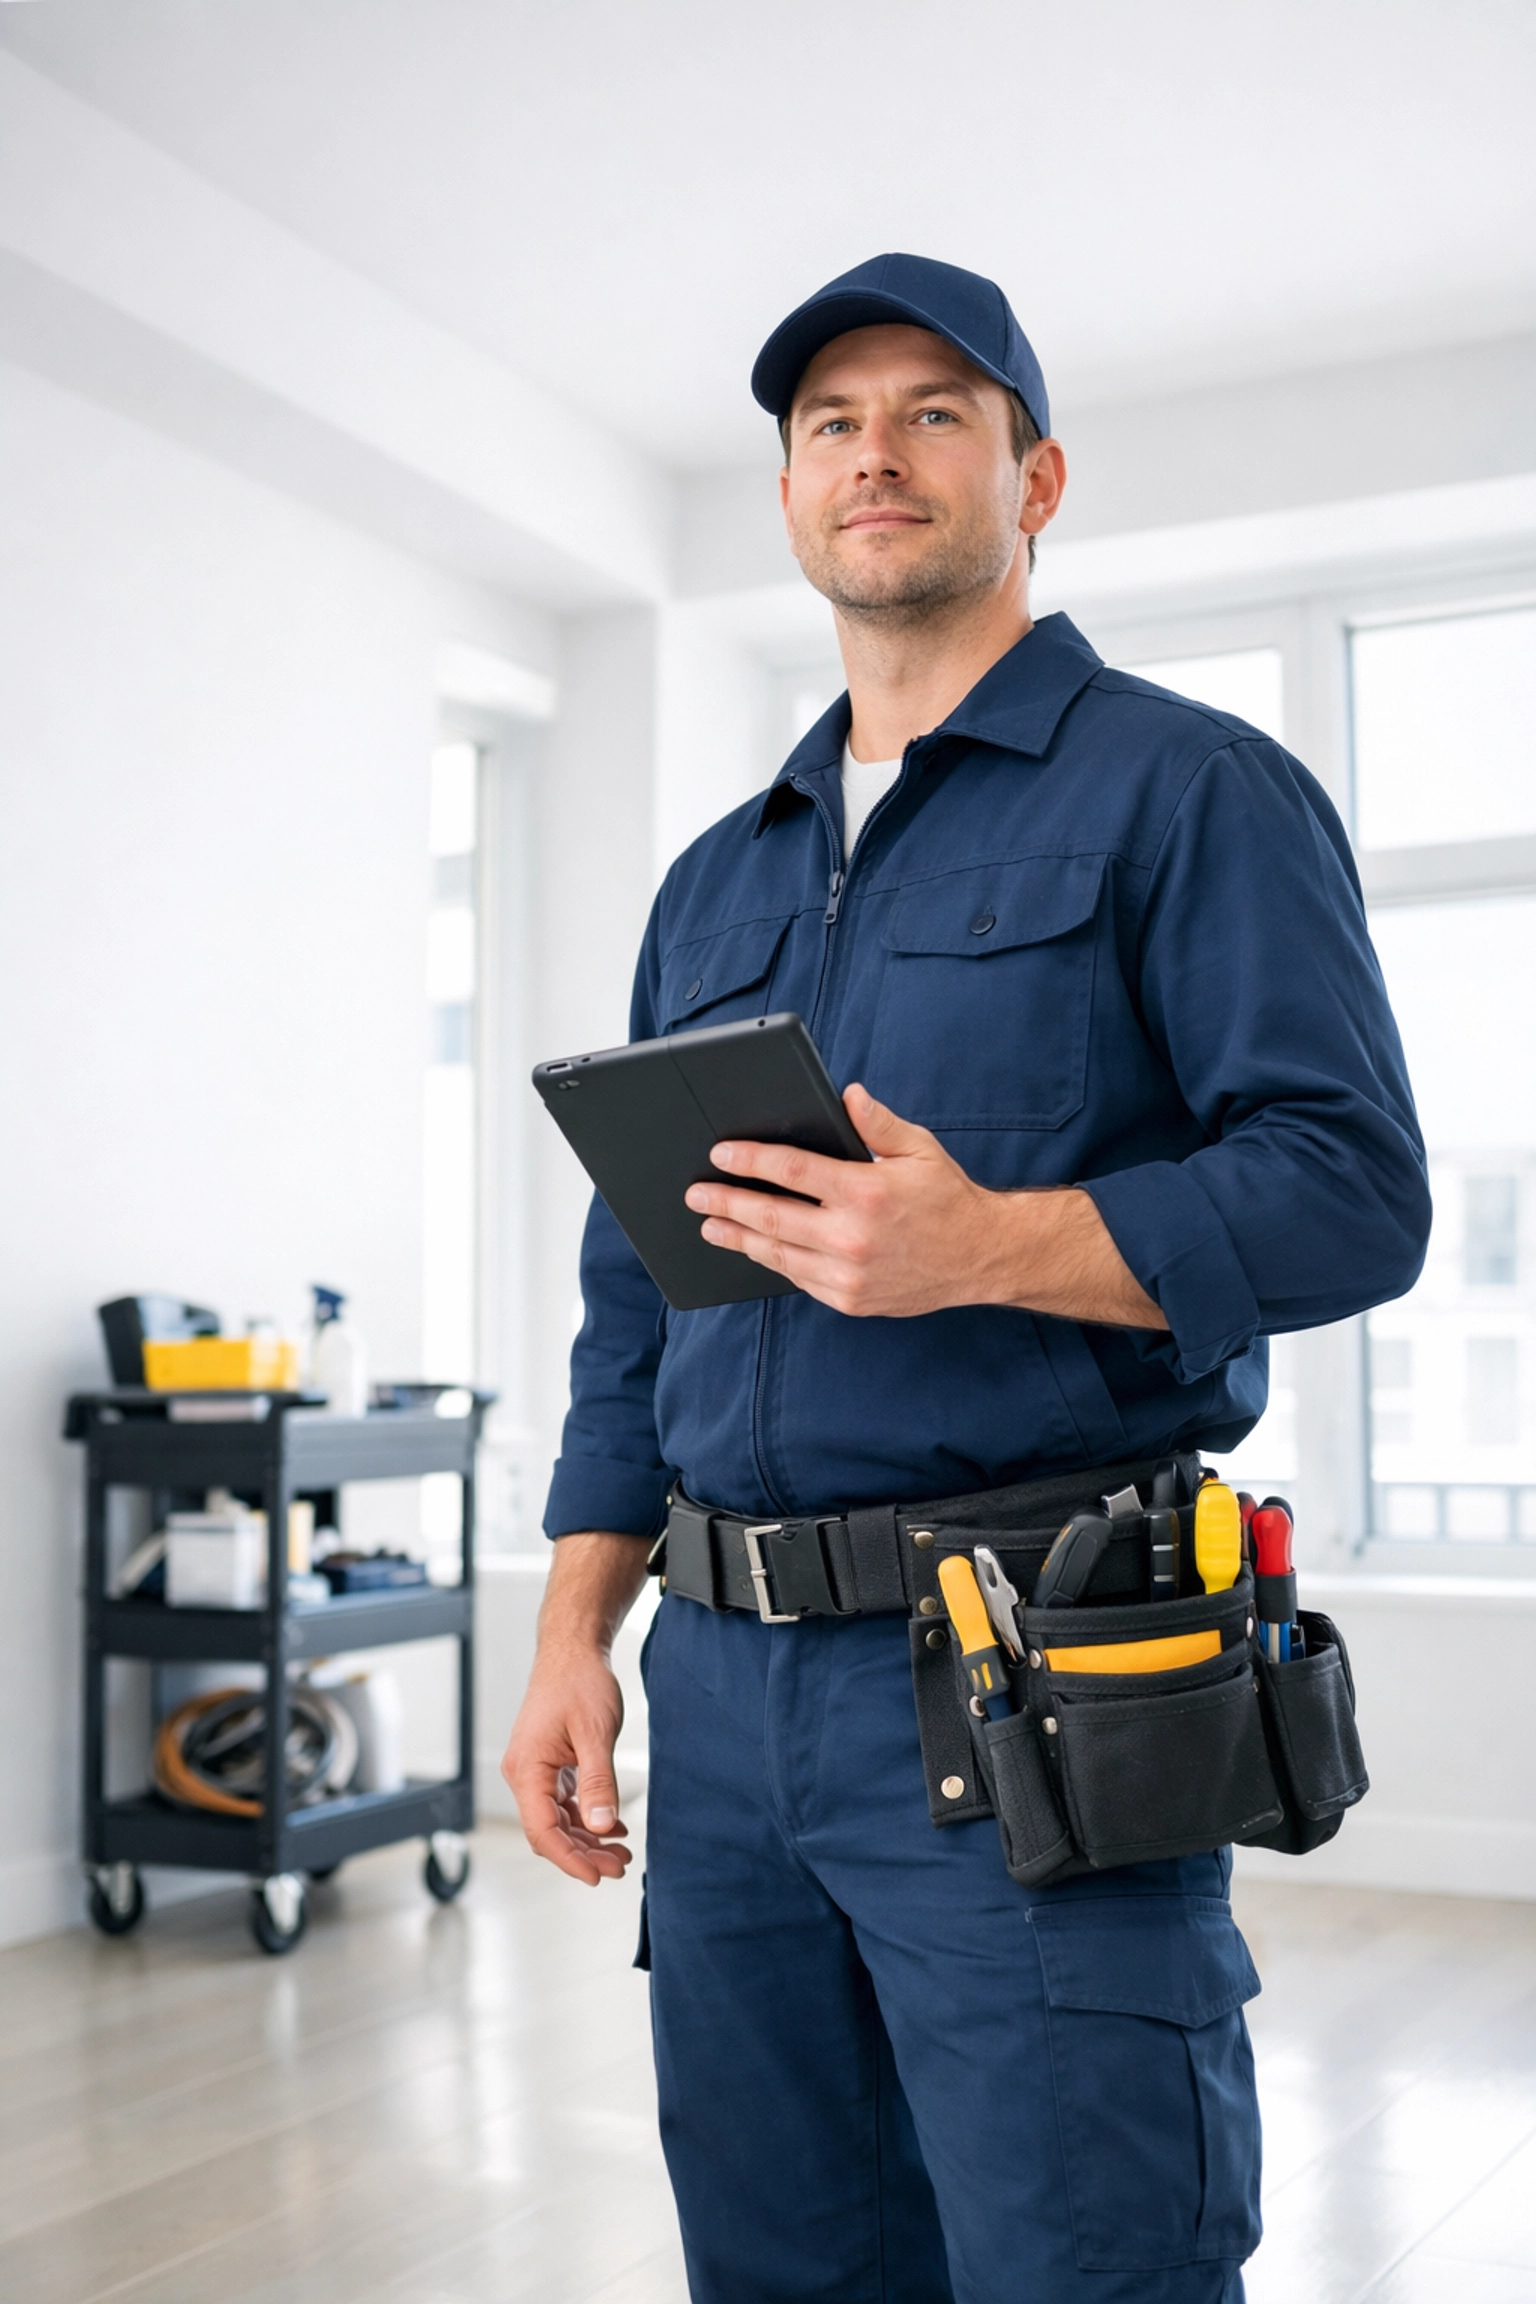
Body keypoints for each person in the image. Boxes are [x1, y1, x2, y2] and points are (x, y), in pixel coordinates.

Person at [503, 253, 1429, 2304]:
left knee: (1082, 2262)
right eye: (830, 421)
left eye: (935, 411)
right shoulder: (719, 876)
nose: (875, 453)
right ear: (789, 494)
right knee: (785, 2265)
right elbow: (642, 1296)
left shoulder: (1190, 794)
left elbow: (1356, 1191)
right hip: (725, 1708)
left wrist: (989, 1242)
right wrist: (578, 1625)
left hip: (1026, 1668)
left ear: (1038, 475)